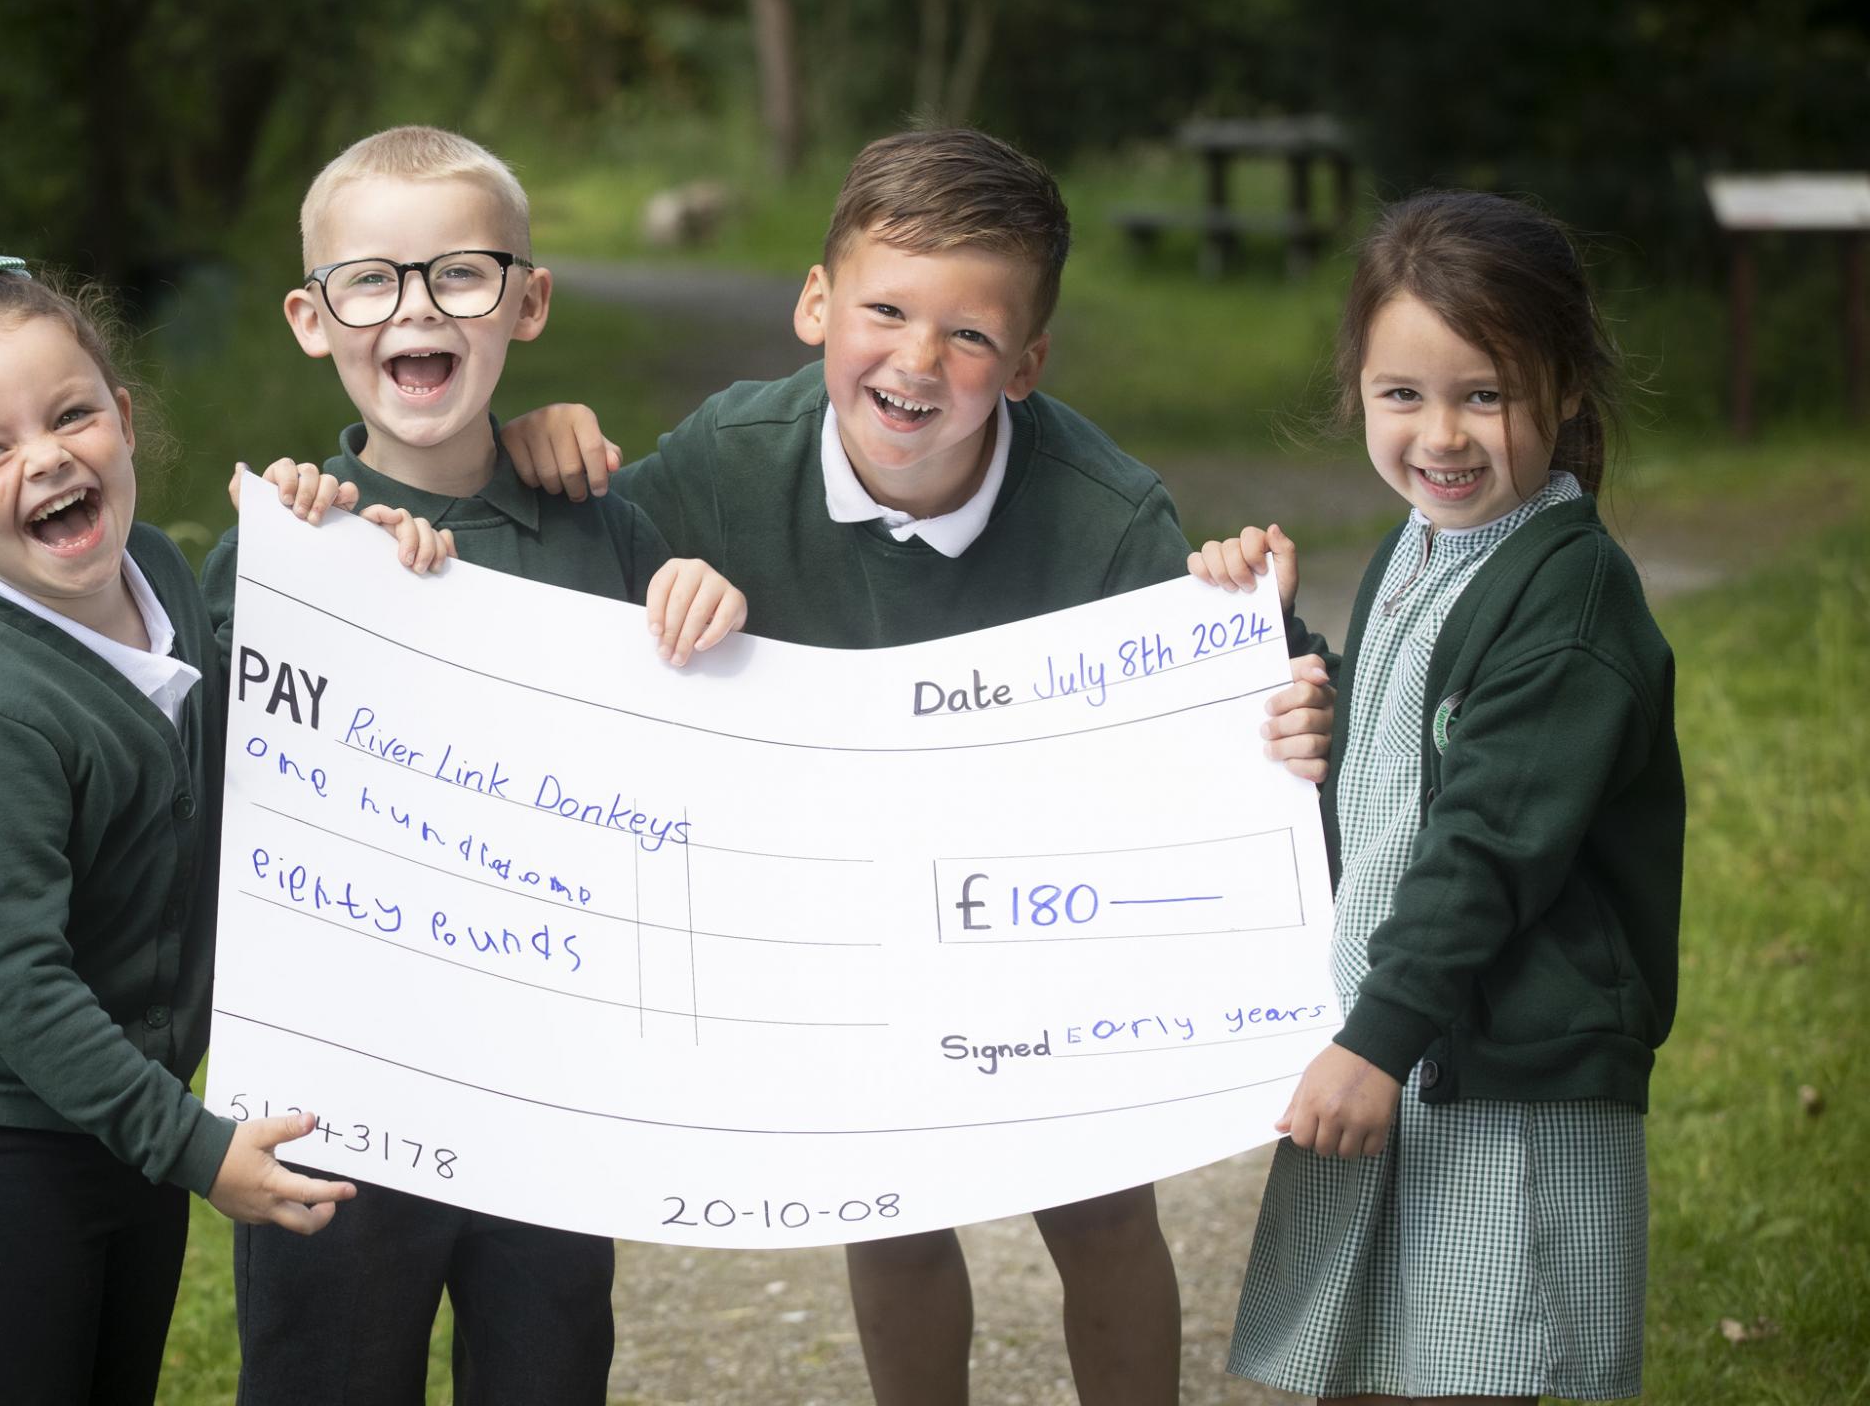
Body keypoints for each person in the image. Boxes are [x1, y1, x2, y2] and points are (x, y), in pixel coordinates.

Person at [497, 127, 1335, 1406]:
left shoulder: (1107, 517)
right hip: (837, 907)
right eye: (884, 311)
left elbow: (1232, 711)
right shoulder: (728, 461)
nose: (918, 362)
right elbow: (586, 576)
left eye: (970, 337)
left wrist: (1278, 668)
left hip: (1043, 904)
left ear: (1029, 362)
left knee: (1099, 1208)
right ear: (816, 304)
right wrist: (546, 456)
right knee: (884, 1205)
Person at [206, 126, 749, 1406]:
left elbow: (694, 781)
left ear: (527, 300)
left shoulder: (609, 534)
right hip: (337, 1109)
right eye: (371, 280)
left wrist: (704, 607)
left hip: (549, 1101)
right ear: (311, 317)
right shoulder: (287, 550)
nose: (415, 307)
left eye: (458, 275)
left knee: (548, 1372)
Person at [0, 254, 355, 1405]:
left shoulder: (156, 567)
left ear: (121, 415)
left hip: (130, 1109)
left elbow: (244, 684)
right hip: (0, 1140)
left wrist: (310, 545)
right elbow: (20, 985)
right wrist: (200, 1149)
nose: (47, 457)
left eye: (70, 414)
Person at [1187, 190, 1683, 1402]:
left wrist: (1373, 1040)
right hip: (1403, 1046)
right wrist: (1288, 657)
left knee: (1495, 1369)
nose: (1442, 436)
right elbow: (1416, 754)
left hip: (1502, 1081)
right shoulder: (1424, 546)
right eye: (1401, 395)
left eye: (1484, 394)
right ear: (1357, 387)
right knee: (1370, 1364)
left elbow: (1489, 842)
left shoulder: (1567, 599)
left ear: (1566, 388)